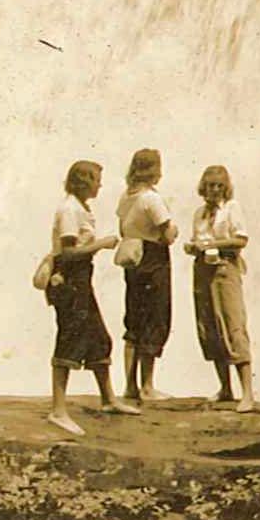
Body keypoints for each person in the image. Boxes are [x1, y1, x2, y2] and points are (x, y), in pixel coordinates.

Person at [43, 159, 121, 436]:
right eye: (96, 179)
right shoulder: (69, 210)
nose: (100, 184)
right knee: (70, 338)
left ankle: (108, 399)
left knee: (99, 337)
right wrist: (100, 245)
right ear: (84, 181)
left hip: (81, 280)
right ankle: (58, 410)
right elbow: (67, 253)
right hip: (68, 280)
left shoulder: (80, 208)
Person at [189, 164, 260, 410]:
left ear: (226, 187)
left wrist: (214, 243)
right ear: (203, 187)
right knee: (208, 327)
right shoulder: (199, 213)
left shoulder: (232, 208)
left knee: (233, 325)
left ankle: (247, 394)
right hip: (202, 270)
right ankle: (225, 388)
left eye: (219, 186)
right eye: (210, 185)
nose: (215, 190)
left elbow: (241, 239)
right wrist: (194, 247)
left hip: (225, 268)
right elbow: (198, 240)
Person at [115, 147, 176, 406]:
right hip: (153, 257)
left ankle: (130, 386)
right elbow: (168, 234)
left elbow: (122, 228)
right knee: (155, 317)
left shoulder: (126, 196)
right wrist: (172, 232)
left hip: (133, 256)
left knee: (134, 321)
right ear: (154, 170)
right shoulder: (151, 198)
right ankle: (148, 386)